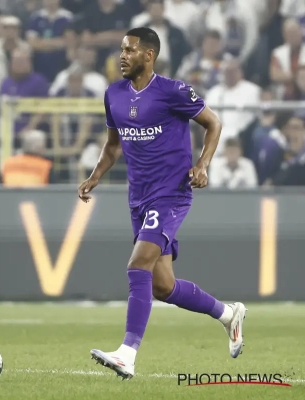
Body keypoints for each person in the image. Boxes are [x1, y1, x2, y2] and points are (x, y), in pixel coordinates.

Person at [77, 28, 247, 380]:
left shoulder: (173, 91)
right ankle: (228, 314)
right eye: (121, 49)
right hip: (138, 197)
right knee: (162, 286)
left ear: (149, 55)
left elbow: (213, 124)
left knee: (138, 264)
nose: (122, 56)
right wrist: (95, 176)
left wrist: (202, 165)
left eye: (130, 50)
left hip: (171, 193)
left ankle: (127, 353)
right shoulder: (114, 94)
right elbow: (113, 145)